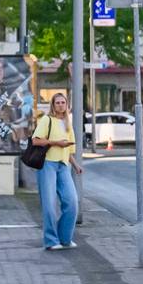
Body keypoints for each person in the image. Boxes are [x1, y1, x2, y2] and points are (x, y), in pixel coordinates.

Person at [31, 93, 83, 251]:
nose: (60, 105)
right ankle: (51, 241)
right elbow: (35, 140)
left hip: (63, 165)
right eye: (57, 102)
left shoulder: (68, 123)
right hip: (47, 164)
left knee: (72, 202)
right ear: (53, 105)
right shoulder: (47, 120)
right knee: (49, 204)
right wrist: (55, 143)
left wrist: (75, 165)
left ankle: (65, 238)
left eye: (63, 102)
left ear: (67, 105)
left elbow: (69, 149)